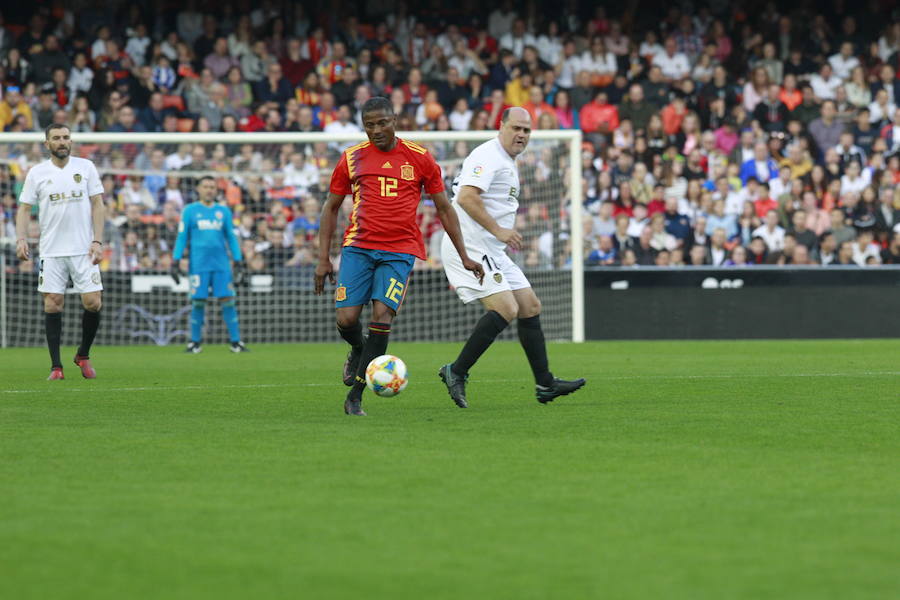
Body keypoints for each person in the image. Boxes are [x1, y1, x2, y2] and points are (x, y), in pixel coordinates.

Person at [314, 97, 484, 417]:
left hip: (399, 251)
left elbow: (444, 208)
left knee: (382, 317)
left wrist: (464, 255)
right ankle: (358, 350)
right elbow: (331, 207)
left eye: (382, 123)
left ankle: (356, 395)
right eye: (369, 125)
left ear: (395, 120)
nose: (376, 130)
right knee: (346, 319)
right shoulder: (351, 158)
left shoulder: (420, 158)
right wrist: (323, 258)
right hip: (359, 247)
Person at [438, 107, 586, 408]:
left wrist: (499, 234)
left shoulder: (506, 160)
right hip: (468, 243)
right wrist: (499, 230)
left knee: (529, 305)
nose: (521, 134)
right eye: (516, 128)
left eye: (526, 130)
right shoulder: (489, 156)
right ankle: (456, 371)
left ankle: (545, 384)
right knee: (506, 307)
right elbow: (466, 197)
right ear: (501, 126)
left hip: (491, 246)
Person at [15, 124, 104, 380]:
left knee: (93, 302)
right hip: (51, 250)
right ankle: (56, 366)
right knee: (53, 304)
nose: (62, 141)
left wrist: (98, 241)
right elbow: (24, 209)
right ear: (47, 144)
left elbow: (98, 204)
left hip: (83, 249)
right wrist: (21, 238)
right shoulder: (37, 173)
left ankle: (83, 354)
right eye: (56, 138)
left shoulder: (85, 167)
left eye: (66, 137)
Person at [172, 176, 249, 354]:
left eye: (212, 187)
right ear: (198, 189)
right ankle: (194, 342)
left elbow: (231, 237)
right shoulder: (190, 210)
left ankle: (236, 342)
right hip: (198, 265)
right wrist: (175, 260)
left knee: (228, 301)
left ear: (216, 190)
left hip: (221, 265)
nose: (209, 190)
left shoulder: (224, 211)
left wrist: (238, 260)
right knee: (198, 302)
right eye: (206, 187)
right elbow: (182, 236)